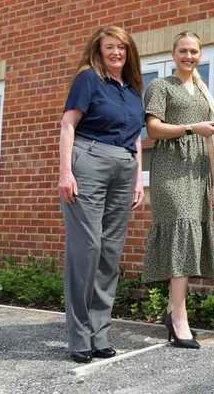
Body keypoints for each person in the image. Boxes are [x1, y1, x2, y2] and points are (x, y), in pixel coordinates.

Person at [58, 26, 145, 364]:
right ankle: (79, 337)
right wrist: (65, 172)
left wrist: (138, 178)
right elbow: (68, 124)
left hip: (124, 168)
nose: (115, 53)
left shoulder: (134, 89)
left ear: (128, 52)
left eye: (121, 47)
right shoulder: (88, 79)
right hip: (89, 161)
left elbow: (136, 136)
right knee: (87, 247)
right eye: (109, 47)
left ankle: (100, 333)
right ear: (99, 50)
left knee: (110, 251)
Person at [141, 31, 214, 350]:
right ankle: (179, 319)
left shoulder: (202, 91)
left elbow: (209, 138)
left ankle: (173, 308)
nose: (189, 56)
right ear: (172, 53)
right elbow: (153, 128)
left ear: (200, 55)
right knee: (180, 232)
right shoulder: (161, 86)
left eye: (195, 51)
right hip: (170, 170)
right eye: (183, 51)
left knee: (191, 235)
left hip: (198, 171)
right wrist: (191, 128)